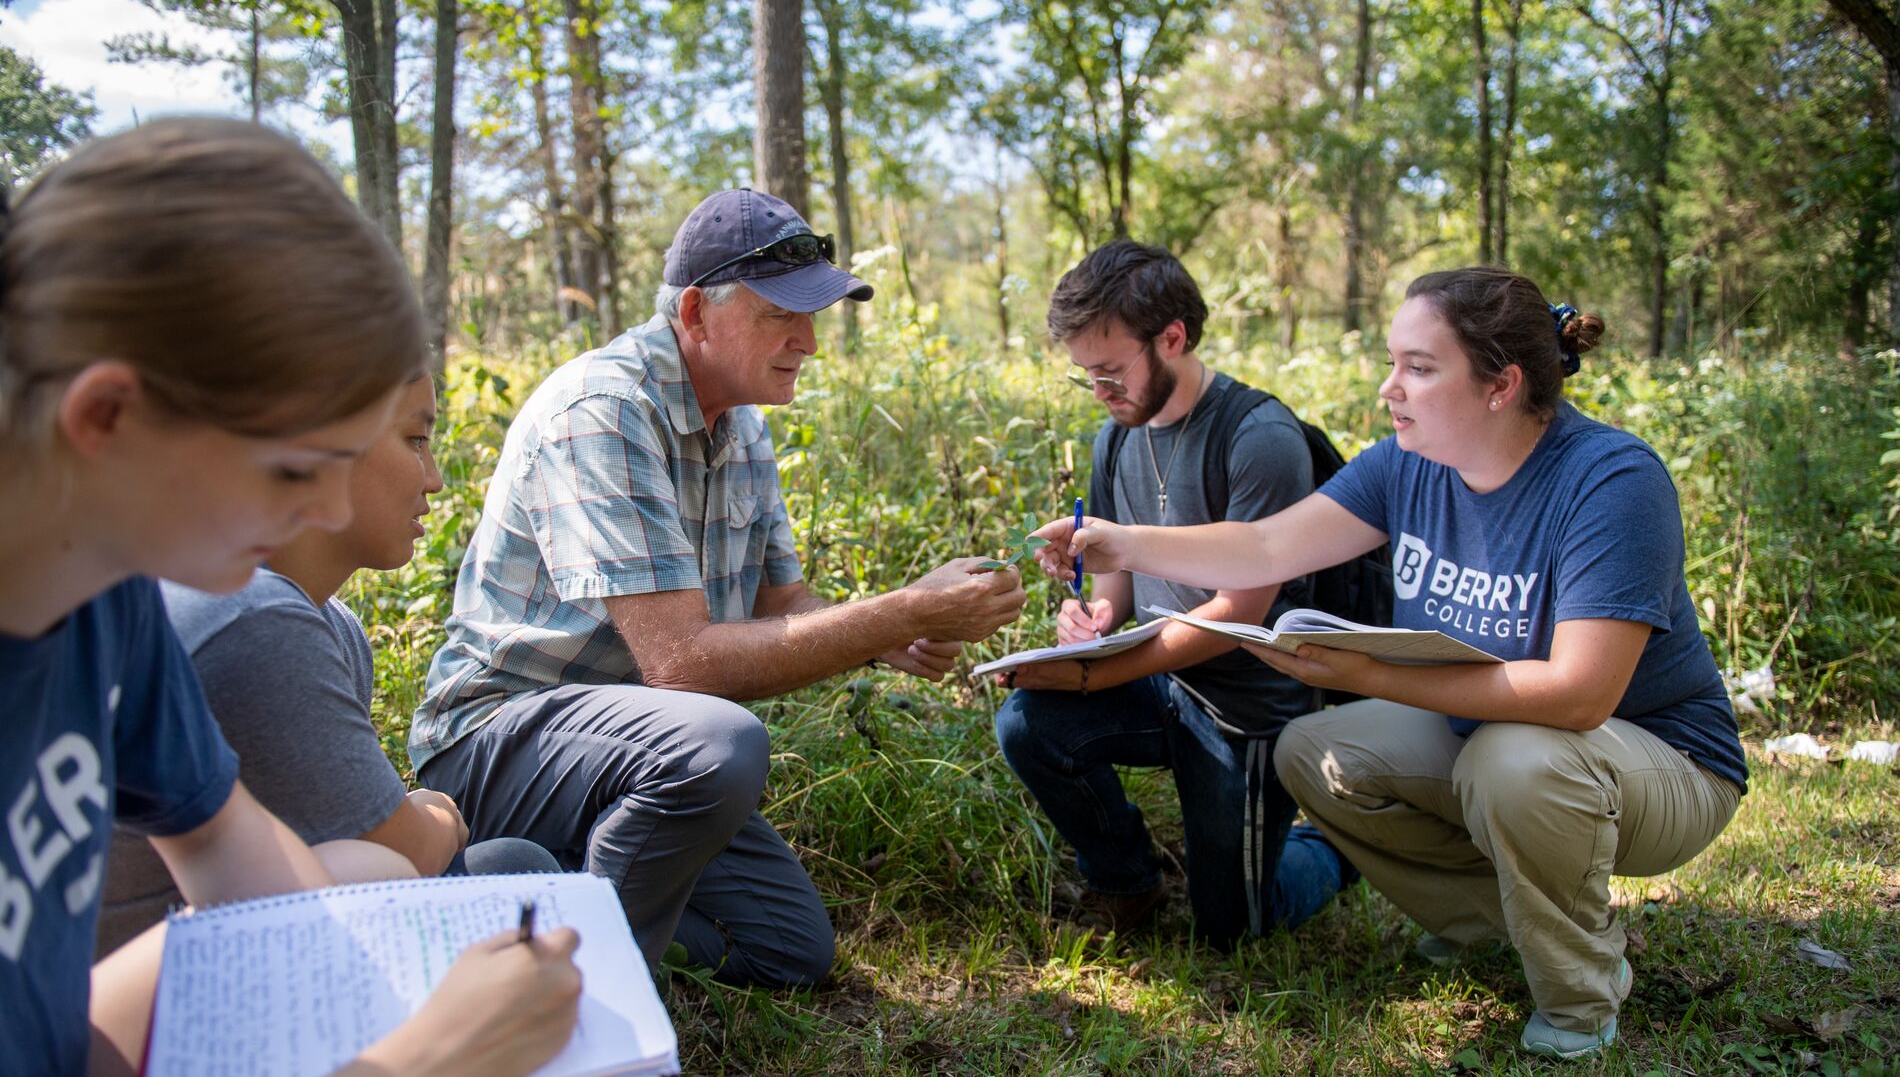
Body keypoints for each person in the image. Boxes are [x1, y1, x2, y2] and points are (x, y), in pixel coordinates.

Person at [1033, 266, 1746, 1059]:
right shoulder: (1406, 464)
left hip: (1661, 761)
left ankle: (1581, 996)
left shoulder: (1610, 481)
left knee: (1516, 762)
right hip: (1493, 736)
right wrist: (1119, 540)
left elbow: (1579, 694)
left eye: (1418, 367)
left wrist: (1363, 675)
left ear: (1499, 385)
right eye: (1390, 364)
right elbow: (1268, 542)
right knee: (1316, 753)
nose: (1390, 390)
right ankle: (1489, 925)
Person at [0, 118, 580, 1076]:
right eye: (292, 468)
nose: (326, 504)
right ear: (106, 417)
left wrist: (389, 985)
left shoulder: (108, 591)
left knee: (362, 872)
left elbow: (225, 839)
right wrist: (427, 1058)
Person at [410, 187, 1026, 988]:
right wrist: (896, 613)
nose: (809, 341)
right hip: (499, 742)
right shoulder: (604, 411)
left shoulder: (741, 423)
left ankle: (516, 895)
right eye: (783, 315)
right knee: (720, 744)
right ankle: (581, 991)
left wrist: (896, 631)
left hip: (642, 754)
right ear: (696, 312)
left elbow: (783, 607)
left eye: (815, 316)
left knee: (787, 947)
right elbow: (684, 669)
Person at [96, 372, 560, 958]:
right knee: (509, 871)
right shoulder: (254, 619)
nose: (437, 481)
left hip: (211, 937)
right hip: (125, 999)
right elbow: (405, 850)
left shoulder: (331, 625)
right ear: (321, 446)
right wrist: (437, 810)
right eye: (416, 439)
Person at [991, 240, 1354, 947]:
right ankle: (1126, 878)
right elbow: (1115, 574)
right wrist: (1093, 617)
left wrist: (1095, 673)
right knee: (1028, 724)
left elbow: (1238, 616)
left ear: (1173, 338)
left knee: (1236, 928)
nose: (1100, 392)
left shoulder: (1259, 437)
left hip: (1245, 706)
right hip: (1160, 685)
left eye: (1109, 372)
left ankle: (1341, 846)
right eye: (1084, 377)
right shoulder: (1115, 439)